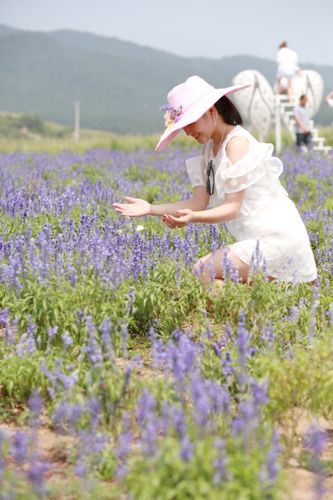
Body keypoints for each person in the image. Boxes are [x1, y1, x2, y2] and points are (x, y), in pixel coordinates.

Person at [113, 76, 317, 291]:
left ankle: (264, 312)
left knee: (203, 271)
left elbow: (232, 208)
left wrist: (193, 218)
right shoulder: (209, 150)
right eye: (182, 127)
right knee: (209, 280)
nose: (187, 132)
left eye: (190, 123)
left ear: (212, 111)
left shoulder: (237, 144)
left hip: (278, 240)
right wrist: (150, 209)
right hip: (255, 242)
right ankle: (265, 312)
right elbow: (198, 202)